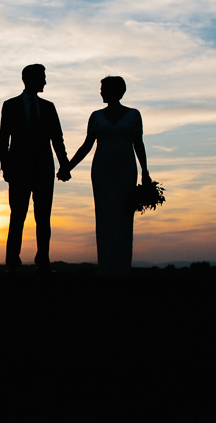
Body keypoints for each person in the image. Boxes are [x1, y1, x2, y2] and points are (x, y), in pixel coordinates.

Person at [59, 76, 149, 277]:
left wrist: (145, 172)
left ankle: (122, 268)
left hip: (126, 171)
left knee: (124, 217)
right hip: (102, 173)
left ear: (116, 91)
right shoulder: (96, 116)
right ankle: (106, 268)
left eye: (103, 89)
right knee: (105, 217)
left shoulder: (134, 115)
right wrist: (68, 167)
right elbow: (87, 145)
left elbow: (139, 144)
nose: (100, 93)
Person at [0, 64, 70, 274]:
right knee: (17, 217)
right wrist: (6, 167)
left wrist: (64, 164)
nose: (45, 82)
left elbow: (57, 139)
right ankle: (12, 263)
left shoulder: (49, 107)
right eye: (43, 77)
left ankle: (43, 262)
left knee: (43, 218)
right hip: (18, 171)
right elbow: (3, 139)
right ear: (30, 79)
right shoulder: (10, 105)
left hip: (44, 170)